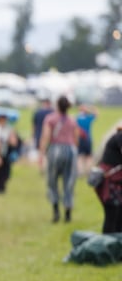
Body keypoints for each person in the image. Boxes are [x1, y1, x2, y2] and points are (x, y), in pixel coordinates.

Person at [38, 95, 81, 223]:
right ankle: (68, 212)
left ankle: (56, 211)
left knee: (52, 181)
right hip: (70, 150)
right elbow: (76, 138)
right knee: (69, 182)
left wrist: (42, 153)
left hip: (55, 150)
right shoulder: (72, 120)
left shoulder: (50, 119)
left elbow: (46, 136)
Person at [94, 125, 122, 233]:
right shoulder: (119, 137)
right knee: (112, 216)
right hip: (111, 183)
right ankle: (107, 246)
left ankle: (116, 246)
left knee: (119, 218)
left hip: (116, 183)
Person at [0, 112, 20, 193]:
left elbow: (14, 142)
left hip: (6, 151)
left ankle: (2, 187)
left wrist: (9, 139)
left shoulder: (9, 129)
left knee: (5, 171)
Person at [76, 104, 98, 176]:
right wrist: (90, 109)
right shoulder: (88, 118)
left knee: (79, 156)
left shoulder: (77, 118)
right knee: (88, 156)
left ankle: (80, 172)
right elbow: (96, 113)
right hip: (88, 139)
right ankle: (88, 171)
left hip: (79, 139)